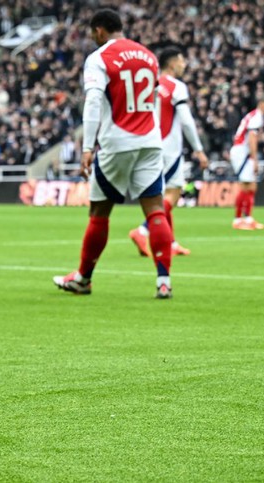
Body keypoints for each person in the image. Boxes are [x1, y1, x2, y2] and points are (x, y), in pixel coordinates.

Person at [53, 9, 174, 299]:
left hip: (117, 141)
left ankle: (83, 279)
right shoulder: (148, 56)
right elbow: (154, 99)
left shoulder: (99, 58)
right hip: (150, 140)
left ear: (99, 31)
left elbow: (94, 101)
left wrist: (87, 147)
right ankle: (163, 281)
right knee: (155, 210)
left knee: (99, 213)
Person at [129, 46, 209, 257]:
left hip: (145, 143)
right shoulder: (176, 86)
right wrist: (199, 150)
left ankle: (170, 243)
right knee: (173, 193)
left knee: (161, 194)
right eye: (181, 61)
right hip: (168, 146)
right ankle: (142, 230)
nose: (184, 65)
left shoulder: (148, 83)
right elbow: (186, 121)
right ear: (172, 64)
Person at [230, 94, 264, 230]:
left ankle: (248, 219)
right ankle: (238, 220)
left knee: (252, 186)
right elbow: (251, 138)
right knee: (246, 185)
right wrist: (254, 159)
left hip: (242, 151)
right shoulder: (256, 117)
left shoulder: (255, 116)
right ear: (262, 103)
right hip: (242, 153)